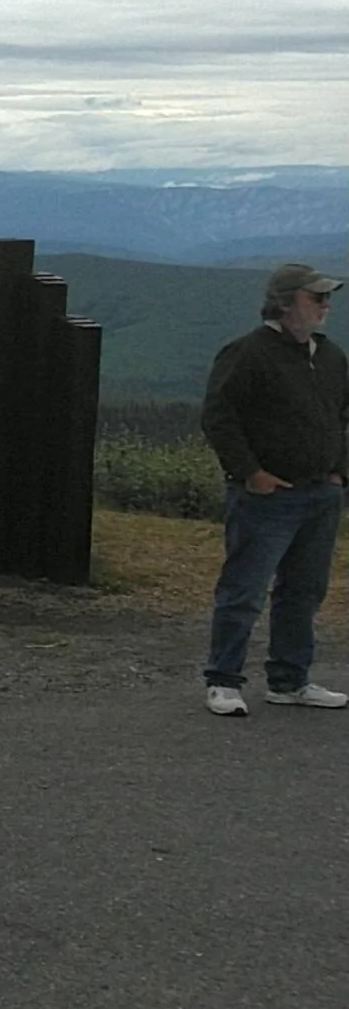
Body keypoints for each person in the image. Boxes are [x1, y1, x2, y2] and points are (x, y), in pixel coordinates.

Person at [198, 263, 348, 716]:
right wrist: (251, 473)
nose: (325, 305)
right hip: (267, 498)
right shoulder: (247, 353)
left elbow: (343, 416)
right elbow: (219, 417)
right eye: (314, 297)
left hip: (320, 494)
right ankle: (223, 681)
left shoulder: (330, 356)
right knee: (244, 590)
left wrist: (340, 472)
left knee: (303, 592)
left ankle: (289, 680)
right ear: (285, 303)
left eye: (326, 298)